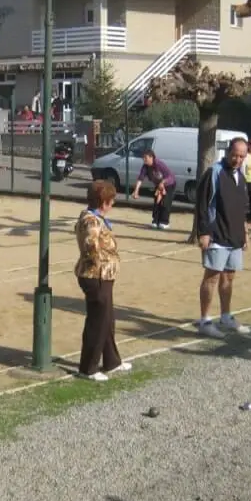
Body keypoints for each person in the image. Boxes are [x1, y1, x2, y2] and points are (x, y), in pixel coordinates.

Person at [74, 180, 131, 381]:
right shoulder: (91, 221)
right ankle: (88, 368)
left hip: (104, 276)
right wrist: (100, 258)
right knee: (97, 322)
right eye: (111, 200)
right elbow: (90, 245)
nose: (112, 204)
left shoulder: (97, 218)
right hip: (95, 275)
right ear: (103, 201)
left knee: (107, 318)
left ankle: (111, 361)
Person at [195, 137, 250, 339]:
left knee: (229, 277)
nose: (237, 159)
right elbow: (202, 205)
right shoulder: (214, 173)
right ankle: (205, 321)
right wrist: (204, 232)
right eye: (235, 155)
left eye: (242, 156)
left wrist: (244, 233)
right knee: (211, 278)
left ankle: (225, 316)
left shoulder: (240, 176)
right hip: (216, 235)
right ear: (228, 152)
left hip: (234, 236)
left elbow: (242, 208)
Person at [131, 149, 176, 229]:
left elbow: (170, 176)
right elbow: (140, 178)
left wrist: (163, 182)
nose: (144, 159)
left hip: (169, 184)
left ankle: (164, 222)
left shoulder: (159, 164)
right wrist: (136, 191)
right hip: (159, 185)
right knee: (156, 202)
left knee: (165, 202)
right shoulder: (145, 167)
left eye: (145, 157)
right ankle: (155, 221)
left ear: (151, 157)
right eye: (143, 158)